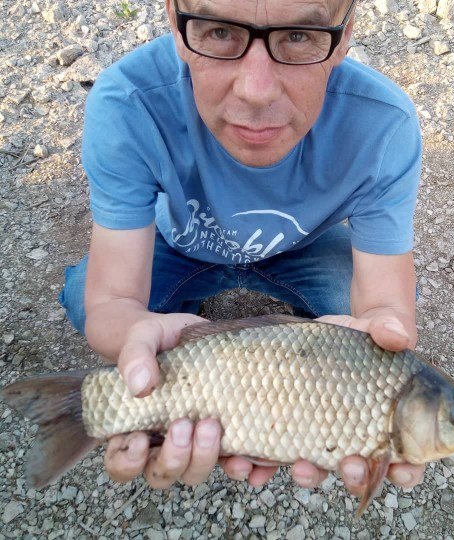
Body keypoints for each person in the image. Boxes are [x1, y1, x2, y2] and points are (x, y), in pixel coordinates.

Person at [60, 0, 425, 498]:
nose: (256, 90)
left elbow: (387, 307)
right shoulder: (128, 101)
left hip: (299, 249)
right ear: (174, 21)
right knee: (85, 296)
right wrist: (143, 333)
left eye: (299, 36)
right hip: (181, 245)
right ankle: (185, 323)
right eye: (218, 32)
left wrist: (375, 332)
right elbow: (111, 302)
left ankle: (300, 353)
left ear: (343, 36)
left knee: (370, 327)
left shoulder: (384, 124)